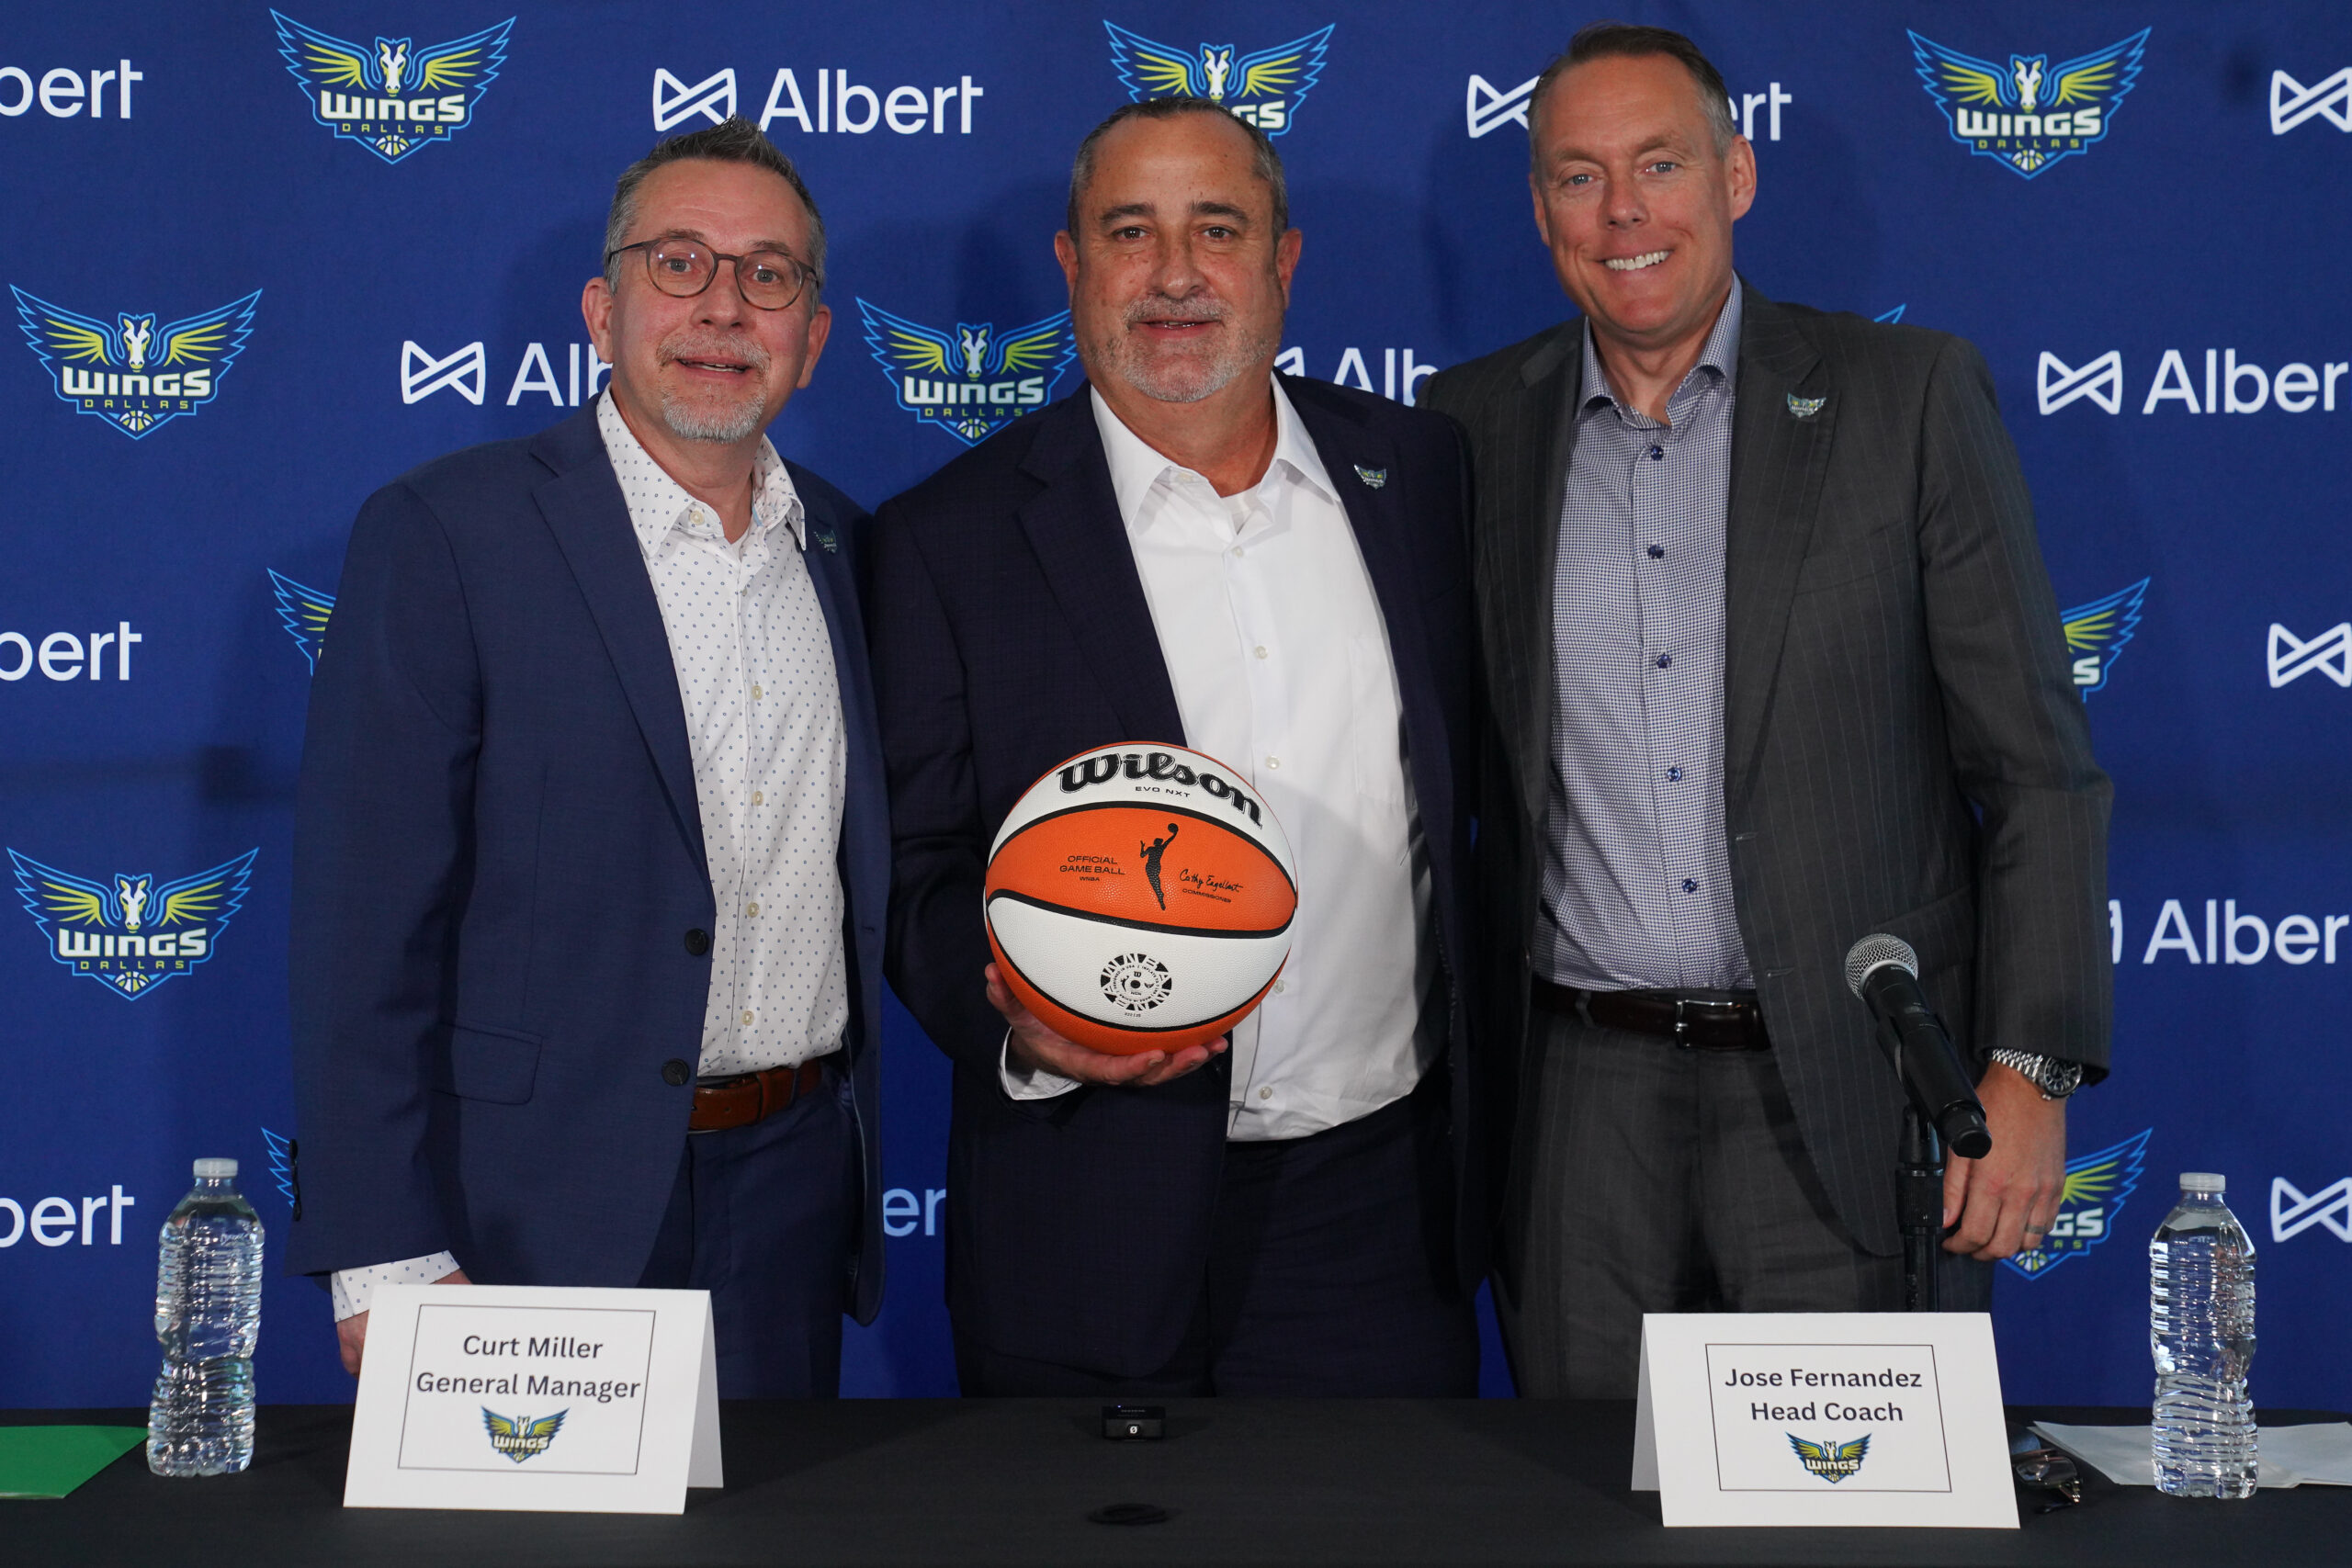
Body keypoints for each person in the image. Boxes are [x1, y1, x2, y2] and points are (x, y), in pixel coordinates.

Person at [1419, 23, 2111, 1397]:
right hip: (1575, 1112)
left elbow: (2039, 775)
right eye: (1578, 175)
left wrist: (2032, 1070)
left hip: (1845, 1098)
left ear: (1736, 176)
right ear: (1542, 208)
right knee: (1584, 1513)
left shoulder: (1906, 398)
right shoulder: (1474, 424)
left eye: (1660, 164)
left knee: (1841, 1527)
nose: (1623, 211)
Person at [870, 98, 1485, 1395]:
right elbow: (909, 875)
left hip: (1382, 1212)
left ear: (1283, 259)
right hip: (1080, 1217)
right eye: (1129, 231)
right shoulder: (945, 540)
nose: (1175, 275)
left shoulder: (1421, 477)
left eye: (1218, 227)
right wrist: (1028, 1034)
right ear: (1072, 264)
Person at [285, 117, 888, 1398]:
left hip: (790, 1190)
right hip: (530, 1209)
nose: (724, 307)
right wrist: (380, 1251)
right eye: (679, 263)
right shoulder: (448, 534)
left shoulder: (845, 549)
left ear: (814, 338)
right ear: (601, 312)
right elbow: (360, 922)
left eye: (768, 275)